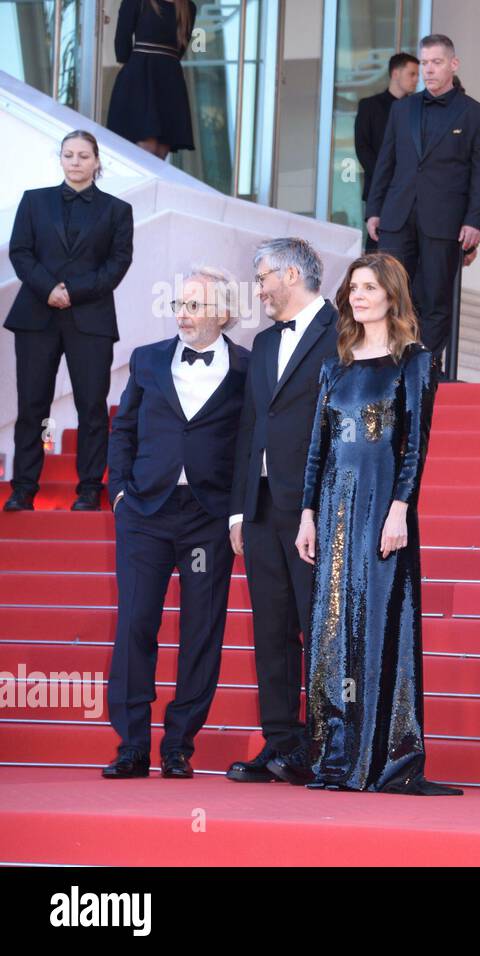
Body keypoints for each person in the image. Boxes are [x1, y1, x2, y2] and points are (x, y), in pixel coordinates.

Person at [293, 253, 459, 796]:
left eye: (369, 287)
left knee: (381, 625)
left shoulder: (413, 361)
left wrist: (399, 510)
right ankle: (334, 753)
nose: (358, 296)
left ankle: (379, 754)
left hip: (382, 507)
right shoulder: (333, 364)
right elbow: (317, 448)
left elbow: (415, 446)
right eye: (353, 288)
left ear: (392, 295)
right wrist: (307, 514)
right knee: (332, 626)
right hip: (334, 505)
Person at [102, 267, 249, 779]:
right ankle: (132, 746)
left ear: (224, 313)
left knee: (201, 631)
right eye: (180, 305)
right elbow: (121, 430)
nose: (183, 314)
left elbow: (253, 447)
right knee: (135, 624)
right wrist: (119, 492)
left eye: (194, 306)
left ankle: (179, 745)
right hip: (145, 512)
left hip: (208, 517)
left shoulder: (247, 370)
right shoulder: (146, 360)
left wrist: (239, 512)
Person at [225, 238, 339, 784]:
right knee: (270, 628)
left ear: (291, 274)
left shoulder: (344, 335)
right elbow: (251, 427)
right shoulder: (263, 342)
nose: (260, 286)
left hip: (316, 507)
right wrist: (238, 511)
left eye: (263, 275)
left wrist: (325, 505)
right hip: (263, 507)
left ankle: (326, 747)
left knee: (320, 628)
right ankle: (280, 745)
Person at [5, 130, 133, 513]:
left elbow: (117, 264)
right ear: (60, 159)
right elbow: (20, 252)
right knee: (32, 405)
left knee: (91, 406)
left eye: (83, 156)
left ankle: (90, 488)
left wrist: (72, 293)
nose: (75, 162)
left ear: (97, 162)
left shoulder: (117, 210)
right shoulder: (33, 201)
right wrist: (49, 289)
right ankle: (23, 488)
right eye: (68, 155)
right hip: (36, 315)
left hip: (90, 317)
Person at [365, 33, 480, 367]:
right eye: (424, 63)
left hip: (445, 221)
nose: (429, 70)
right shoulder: (402, 108)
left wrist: (475, 221)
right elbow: (386, 162)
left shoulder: (477, 116)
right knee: (387, 291)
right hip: (397, 215)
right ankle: (384, 359)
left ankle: (419, 364)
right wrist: (374, 209)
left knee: (435, 298)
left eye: (436, 62)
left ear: (453, 64)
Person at [106, 0, 198, 159]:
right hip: (140, 76)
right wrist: (131, 72)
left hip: (169, 80)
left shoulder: (188, 7)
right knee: (145, 146)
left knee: (161, 150)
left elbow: (181, 47)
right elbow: (122, 37)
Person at [354, 52, 420, 253]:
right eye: (412, 74)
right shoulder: (369, 106)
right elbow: (363, 148)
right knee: (376, 245)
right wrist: (386, 177)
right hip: (379, 188)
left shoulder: (417, 109)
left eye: (418, 75)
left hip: (407, 190)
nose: (416, 80)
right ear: (395, 73)